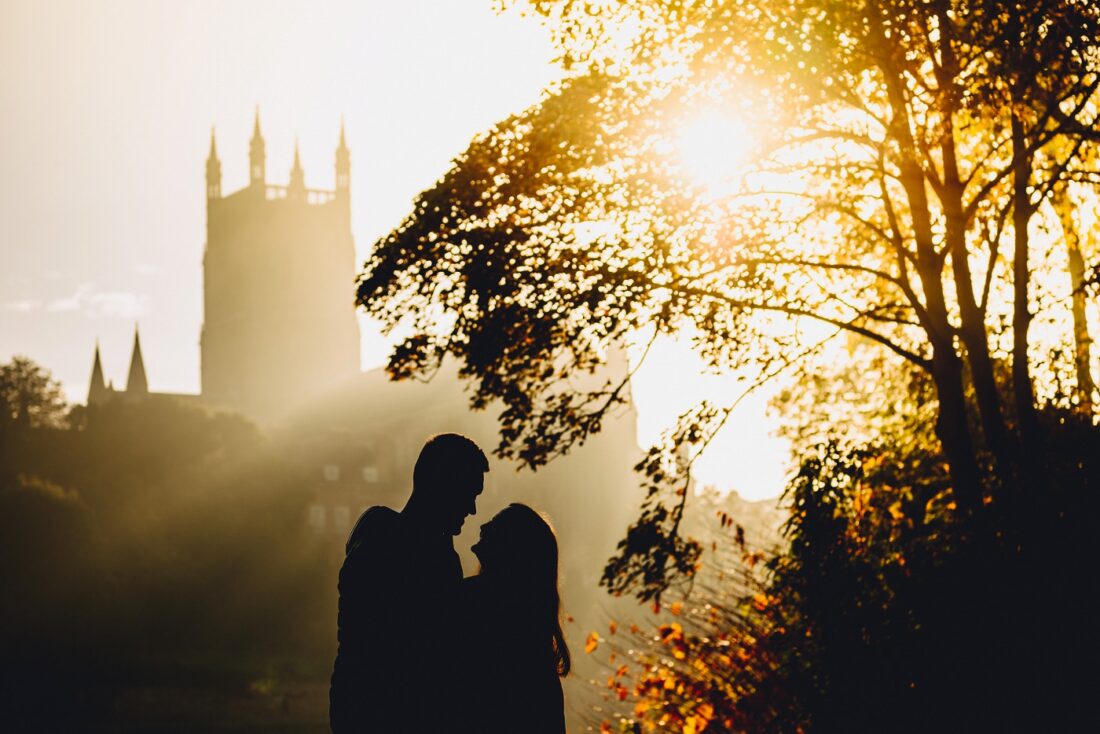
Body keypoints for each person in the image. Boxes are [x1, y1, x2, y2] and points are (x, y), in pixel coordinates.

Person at [329, 433, 489, 733]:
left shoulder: (375, 531)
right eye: (469, 493)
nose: (472, 509)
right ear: (442, 486)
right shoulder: (429, 558)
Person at [456, 503, 570, 734]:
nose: (483, 526)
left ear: (513, 547)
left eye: (496, 524)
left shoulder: (473, 600)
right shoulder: (533, 643)